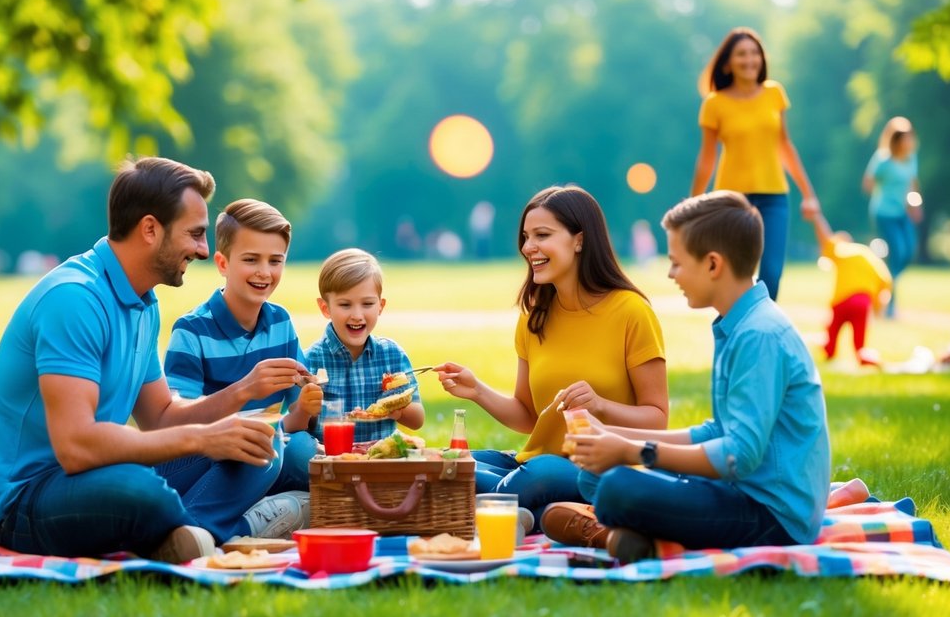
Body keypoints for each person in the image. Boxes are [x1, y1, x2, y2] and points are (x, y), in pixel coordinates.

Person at [0, 157, 295, 564]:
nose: (202, 249)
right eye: (195, 234)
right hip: (27, 498)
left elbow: (160, 416)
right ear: (149, 229)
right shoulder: (74, 298)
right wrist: (202, 438)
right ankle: (216, 532)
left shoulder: (144, 304)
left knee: (258, 443)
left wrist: (241, 395)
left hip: (96, 475)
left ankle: (193, 535)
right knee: (137, 489)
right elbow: (75, 446)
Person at [542, 191, 830, 562]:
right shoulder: (739, 325)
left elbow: (737, 456)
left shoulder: (759, 335)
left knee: (616, 487)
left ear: (713, 264)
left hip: (771, 515)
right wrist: (614, 436)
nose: (670, 273)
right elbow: (717, 431)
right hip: (740, 491)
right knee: (595, 478)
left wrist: (632, 451)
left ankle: (608, 535)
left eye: (677, 262)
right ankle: (622, 535)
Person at [435, 185, 668, 528]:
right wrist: (477, 391)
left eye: (542, 235)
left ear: (579, 240)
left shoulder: (631, 312)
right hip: (535, 462)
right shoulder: (534, 317)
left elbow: (657, 419)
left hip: (605, 468)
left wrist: (601, 405)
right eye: (526, 237)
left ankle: (491, 510)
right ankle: (543, 516)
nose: (529, 247)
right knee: (444, 462)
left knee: (536, 476)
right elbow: (529, 416)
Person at [162, 198, 323, 541]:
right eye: (251, 260)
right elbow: (178, 423)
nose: (264, 272)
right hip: (199, 455)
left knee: (303, 452)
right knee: (270, 443)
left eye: (275, 261)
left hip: (261, 456)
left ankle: (246, 519)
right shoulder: (192, 331)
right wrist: (247, 392)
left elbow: (295, 421)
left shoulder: (281, 322)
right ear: (223, 262)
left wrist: (308, 408)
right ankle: (191, 528)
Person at [690, 27, 821, 301]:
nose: (749, 60)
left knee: (771, 274)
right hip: (731, 200)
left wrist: (809, 195)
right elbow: (707, 158)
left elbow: (785, 146)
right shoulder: (715, 104)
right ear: (727, 62)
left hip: (774, 197)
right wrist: (694, 204)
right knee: (732, 275)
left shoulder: (774, 94)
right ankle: (733, 335)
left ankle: (759, 336)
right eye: (741, 54)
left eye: (754, 53)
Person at [304, 248, 426, 443]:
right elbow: (299, 425)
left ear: (381, 306)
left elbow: (417, 419)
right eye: (345, 305)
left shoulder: (391, 355)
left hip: (380, 459)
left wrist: (396, 411)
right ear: (325, 308)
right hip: (331, 460)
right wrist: (306, 409)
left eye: (367, 304)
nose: (357, 315)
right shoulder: (310, 360)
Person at [804, 208, 892, 366]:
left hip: (842, 303)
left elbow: (826, 239)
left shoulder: (842, 250)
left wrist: (816, 217)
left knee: (830, 348)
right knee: (860, 349)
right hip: (863, 302)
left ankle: (824, 344)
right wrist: (878, 309)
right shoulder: (868, 255)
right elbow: (886, 282)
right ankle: (873, 360)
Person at [864, 116, 921, 317]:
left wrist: (915, 203)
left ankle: (884, 283)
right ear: (895, 140)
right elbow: (868, 182)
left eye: (910, 137)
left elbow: (912, 182)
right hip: (884, 213)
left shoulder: (911, 158)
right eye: (904, 138)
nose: (908, 142)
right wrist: (884, 191)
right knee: (898, 251)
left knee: (908, 250)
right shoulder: (883, 159)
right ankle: (889, 303)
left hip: (902, 212)